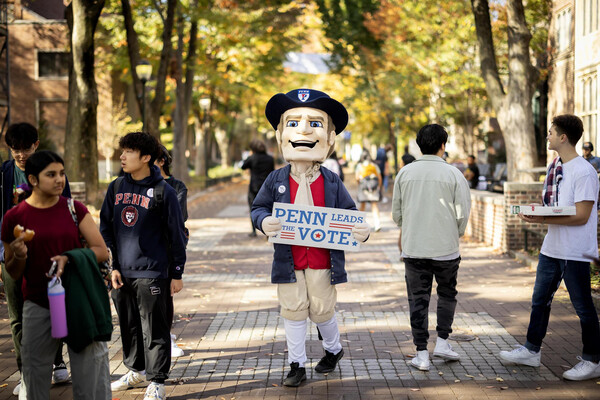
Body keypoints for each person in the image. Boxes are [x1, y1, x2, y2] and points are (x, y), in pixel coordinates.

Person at [252, 88, 370, 387]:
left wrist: (361, 231)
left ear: (330, 138)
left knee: (322, 311)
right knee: (293, 312)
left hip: (322, 260)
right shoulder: (276, 179)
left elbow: (350, 213)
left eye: (315, 123)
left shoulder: (332, 181)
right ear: (280, 135)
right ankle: (296, 364)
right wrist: (263, 221)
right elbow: (259, 207)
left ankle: (333, 349)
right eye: (293, 123)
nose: (303, 130)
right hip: (288, 261)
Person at [1, 150, 111, 399]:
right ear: (33, 180)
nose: (60, 179)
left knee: (90, 373)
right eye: (51, 174)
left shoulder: (74, 208)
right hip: (38, 302)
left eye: (62, 173)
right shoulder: (14, 218)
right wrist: (18, 255)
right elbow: (13, 271)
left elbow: (100, 250)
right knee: (34, 375)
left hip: (78, 300)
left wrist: (70, 257)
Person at [499, 115, 600, 381]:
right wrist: (537, 212)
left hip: (575, 251)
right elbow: (558, 206)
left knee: (583, 307)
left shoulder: (584, 171)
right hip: (552, 248)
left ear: (563, 137)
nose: (548, 136)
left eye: (551, 132)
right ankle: (532, 351)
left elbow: (582, 215)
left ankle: (593, 360)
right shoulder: (556, 167)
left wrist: (541, 217)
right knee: (539, 302)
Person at [100, 132, 187, 400]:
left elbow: (176, 234)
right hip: (121, 272)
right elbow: (106, 229)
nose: (122, 156)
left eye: (129, 152)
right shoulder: (116, 187)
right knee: (128, 326)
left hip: (152, 272)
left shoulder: (164, 191)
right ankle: (135, 371)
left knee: (155, 328)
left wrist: (176, 272)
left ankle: (157, 380)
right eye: (122, 151)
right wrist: (111, 266)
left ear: (146, 157)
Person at [392, 124, 471, 371]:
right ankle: (444, 343)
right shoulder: (454, 174)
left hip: (414, 247)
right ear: (443, 145)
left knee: (418, 299)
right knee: (447, 294)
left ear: (418, 145)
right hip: (446, 248)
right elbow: (463, 213)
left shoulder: (405, 173)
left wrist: (412, 225)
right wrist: (454, 232)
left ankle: (421, 353)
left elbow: (397, 214)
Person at [0, 123, 72, 396]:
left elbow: (66, 207)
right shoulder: (6, 174)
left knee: (52, 309)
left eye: (25, 148)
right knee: (17, 316)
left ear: (36, 144)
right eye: (15, 149)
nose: (20, 154)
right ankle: (26, 373)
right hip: (12, 252)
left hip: (46, 252)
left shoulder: (50, 169)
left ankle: (56, 360)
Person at [155, 145, 188, 358]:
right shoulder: (135, 185)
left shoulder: (176, 186)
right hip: (146, 249)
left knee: (166, 295)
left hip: (169, 247)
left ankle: (167, 338)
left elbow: (178, 217)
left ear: (160, 161)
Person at [241, 139, 274, 237]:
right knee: (269, 208)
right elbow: (272, 171)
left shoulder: (252, 158)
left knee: (253, 207)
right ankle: (268, 232)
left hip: (254, 187)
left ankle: (254, 231)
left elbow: (243, 166)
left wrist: (250, 155)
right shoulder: (270, 158)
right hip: (268, 186)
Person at [355, 151, 382, 232]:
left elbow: (357, 178)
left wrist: (361, 185)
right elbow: (379, 177)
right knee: (374, 206)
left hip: (363, 188)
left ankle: (360, 224)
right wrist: (378, 187)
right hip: (373, 188)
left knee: (362, 206)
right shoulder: (374, 165)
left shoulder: (359, 166)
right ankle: (377, 224)